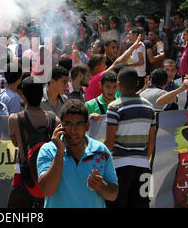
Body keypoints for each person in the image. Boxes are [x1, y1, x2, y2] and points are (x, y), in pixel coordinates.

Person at [37, 99, 119, 208]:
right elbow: (47, 191)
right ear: (60, 126)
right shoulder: (48, 150)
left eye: (79, 124)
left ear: (87, 126)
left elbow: (113, 195)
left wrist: (101, 186)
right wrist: (60, 152)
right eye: (68, 124)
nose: (73, 130)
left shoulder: (101, 150)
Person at [104, 67, 156, 208]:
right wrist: (143, 159)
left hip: (119, 167)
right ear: (137, 83)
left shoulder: (114, 107)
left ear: (119, 84)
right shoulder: (150, 108)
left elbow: (109, 142)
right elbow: (151, 143)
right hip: (144, 167)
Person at [7, 76, 61, 208]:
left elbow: (15, 144)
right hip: (47, 174)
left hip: (23, 175)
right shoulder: (55, 120)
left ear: (23, 97)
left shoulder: (14, 119)